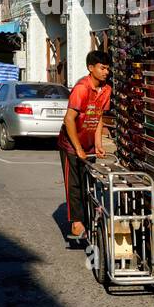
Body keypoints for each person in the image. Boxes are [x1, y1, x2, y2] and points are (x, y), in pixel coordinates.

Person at [58, 49, 112, 241]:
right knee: (74, 184)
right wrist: (78, 148)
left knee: (88, 182)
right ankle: (76, 223)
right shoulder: (81, 88)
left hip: (88, 144)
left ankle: (89, 218)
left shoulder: (106, 89)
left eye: (108, 68)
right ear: (91, 68)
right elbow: (69, 120)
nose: (106, 72)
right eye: (102, 68)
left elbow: (98, 118)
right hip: (71, 144)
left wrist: (97, 144)